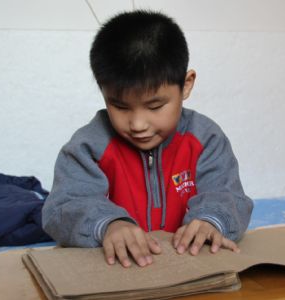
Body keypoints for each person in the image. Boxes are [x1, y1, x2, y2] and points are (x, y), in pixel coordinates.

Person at [42, 10, 253, 268]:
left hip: (189, 268)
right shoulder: (89, 146)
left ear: (186, 85)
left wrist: (211, 221)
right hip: (117, 273)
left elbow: (227, 195)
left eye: (154, 106)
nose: (137, 125)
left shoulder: (206, 139)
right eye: (120, 106)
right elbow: (62, 208)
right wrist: (110, 225)